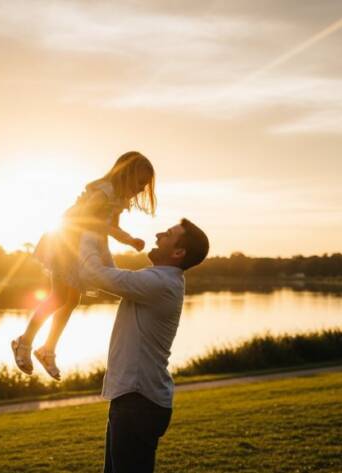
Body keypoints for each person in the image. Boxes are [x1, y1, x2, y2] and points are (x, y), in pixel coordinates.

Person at [11, 151, 157, 380]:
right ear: (126, 175)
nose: (141, 188)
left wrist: (129, 240)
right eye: (140, 182)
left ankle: (47, 349)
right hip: (67, 242)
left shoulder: (119, 198)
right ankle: (24, 342)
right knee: (59, 297)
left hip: (85, 245)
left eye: (145, 185)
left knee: (71, 300)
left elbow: (111, 227)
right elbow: (84, 219)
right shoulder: (104, 192)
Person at [80, 218, 209, 473]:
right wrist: (102, 230)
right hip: (135, 400)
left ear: (178, 252)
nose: (159, 234)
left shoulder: (160, 283)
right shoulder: (159, 280)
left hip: (138, 403)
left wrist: (84, 231)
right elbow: (109, 273)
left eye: (168, 233)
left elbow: (93, 273)